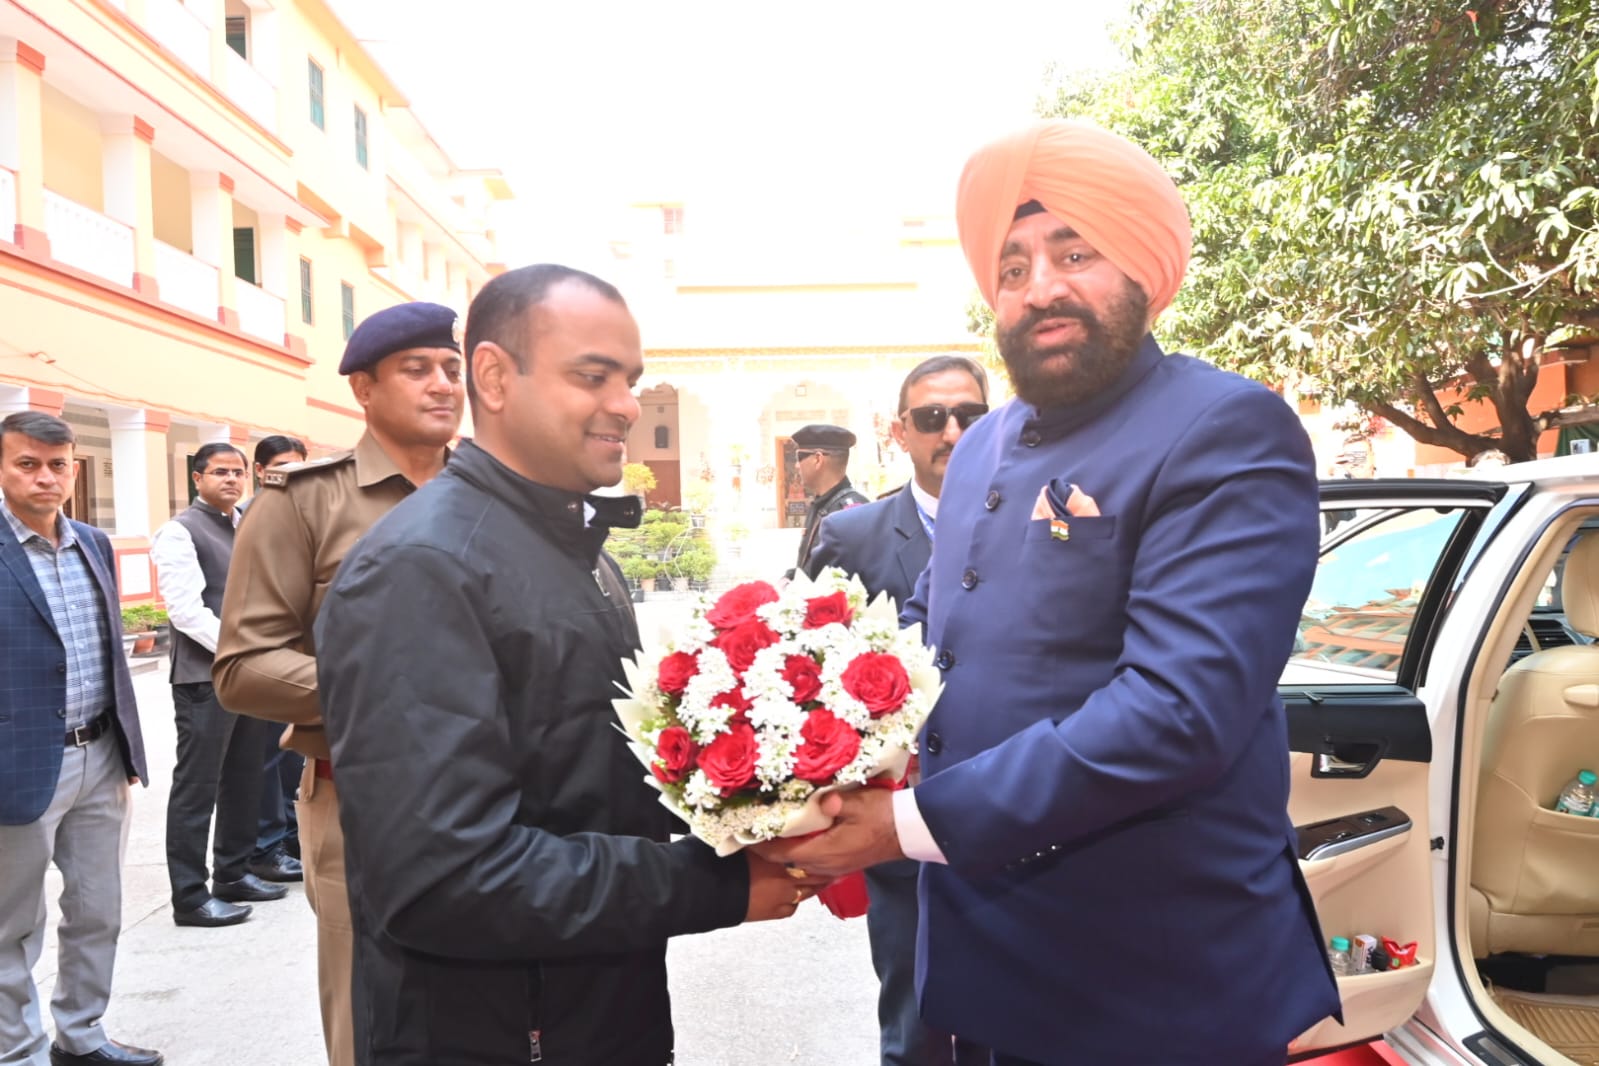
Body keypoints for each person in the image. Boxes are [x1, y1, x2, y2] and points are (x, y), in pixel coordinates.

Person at [757, 119, 1341, 1065]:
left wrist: (900, 825)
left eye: (1075, 254)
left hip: (1153, 976)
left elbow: (1176, 711)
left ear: (1141, 268)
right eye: (1013, 266)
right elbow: (935, 629)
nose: (1041, 288)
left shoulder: (1225, 427)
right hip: (990, 954)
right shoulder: (983, 443)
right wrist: (819, 736)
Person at [314, 264, 828, 1065]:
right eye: (592, 377)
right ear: (493, 377)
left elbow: (584, 780)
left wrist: (764, 804)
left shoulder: (573, 548)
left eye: (631, 381)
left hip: (595, 1005)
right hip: (493, 1031)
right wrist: (714, 886)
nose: (625, 405)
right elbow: (440, 878)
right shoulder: (422, 567)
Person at [213, 302, 464, 1066]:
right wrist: (396, 692)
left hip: (499, 796)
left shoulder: (494, 494)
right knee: (372, 1019)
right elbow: (243, 666)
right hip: (359, 796)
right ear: (363, 388)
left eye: (451, 368)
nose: (442, 384)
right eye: (417, 369)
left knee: (489, 1011)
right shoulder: (302, 500)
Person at [804, 354, 990, 1066]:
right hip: (902, 830)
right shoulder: (854, 536)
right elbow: (811, 678)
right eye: (932, 417)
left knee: (1018, 1028)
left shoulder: (1039, 522)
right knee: (918, 1029)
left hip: (1019, 820)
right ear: (899, 431)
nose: (952, 431)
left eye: (969, 415)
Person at [0, 411, 162, 1066]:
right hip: (17, 764)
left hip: (101, 754)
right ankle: (19, 1053)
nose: (46, 477)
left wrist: (125, 748)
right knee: (12, 926)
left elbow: (109, 652)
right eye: (27, 463)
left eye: (58, 464)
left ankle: (82, 1034)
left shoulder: (93, 543)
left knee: (99, 909)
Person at [150, 443, 287, 929]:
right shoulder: (179, 531)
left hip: (247, 675)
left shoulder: (244, 525)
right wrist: (242, 649)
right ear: (197, 478)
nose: (231, 479)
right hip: (204, 679)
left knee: (245, 778)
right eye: (219, 472)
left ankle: (234, 873)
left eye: (237, 472)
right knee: (198, 786)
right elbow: (186, 611)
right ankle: (190, 895)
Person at [240, 435, 308, 875]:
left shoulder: (306, 513)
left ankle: (291, 836)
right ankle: (266, 846)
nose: (293, 474)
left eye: (299, 465)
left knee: (293, 753)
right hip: (264, 654)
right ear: (262, 471)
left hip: (301, 653)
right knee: (266, 755)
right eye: (283, 465)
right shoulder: (250, 517)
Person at [791, 422, 869, 574]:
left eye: (799, 457)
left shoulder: (853, 511)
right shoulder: (820, 504)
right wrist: (789, 578)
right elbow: (809, 568)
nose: (796, 466)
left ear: (818, 459)